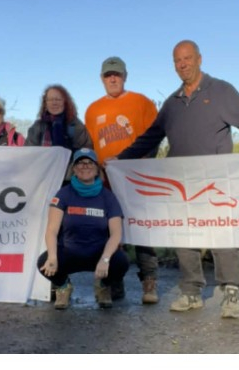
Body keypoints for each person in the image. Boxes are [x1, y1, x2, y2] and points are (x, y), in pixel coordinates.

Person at [117, 39, 239, 319]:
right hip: (181, 184)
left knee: (222, 234)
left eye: (187, 58)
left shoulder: (221, 91)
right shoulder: (172, 103)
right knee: (184, 236)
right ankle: (191, 291)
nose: (183, 65)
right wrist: (121, 159)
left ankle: (232, 290)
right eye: (177, 61)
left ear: (199, 59)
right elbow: (151, 137)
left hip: (217, 181)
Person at [85, 56, 160, 304]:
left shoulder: (141, 102)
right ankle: (113, 282)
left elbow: (155, 136)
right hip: (107, 181)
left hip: (137, 178)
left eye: (116, 74)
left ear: (125, 76)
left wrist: (142, 163)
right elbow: (91, 147)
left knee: (142, 231)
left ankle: (149, 282)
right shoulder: (93, 110)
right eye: (108, 75)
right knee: (111, 233)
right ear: (102, 79)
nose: (113, 79)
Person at [37, 148, 130, 310]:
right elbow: (51, 230)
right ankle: (63, 286)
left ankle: (103, 285)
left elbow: (116, 234)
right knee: (43, 263)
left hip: (98, 254)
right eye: (80, 163)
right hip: (69, 252)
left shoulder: (108, 196)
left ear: (97, 169)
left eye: (89, 163)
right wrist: (52, 256)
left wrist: (105, 259)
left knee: (121, 262)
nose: (85, 166)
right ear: (74, 169)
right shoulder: (63, 194)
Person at [25, 84, 92, 155]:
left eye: (58, 99)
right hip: (43, 162)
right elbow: (29, 152)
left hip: (69, 162)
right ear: (45, 103)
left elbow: (85, 151)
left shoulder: (75, 125)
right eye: (50, 100)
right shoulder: (37, 126)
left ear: (65, 102)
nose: (54, 103)